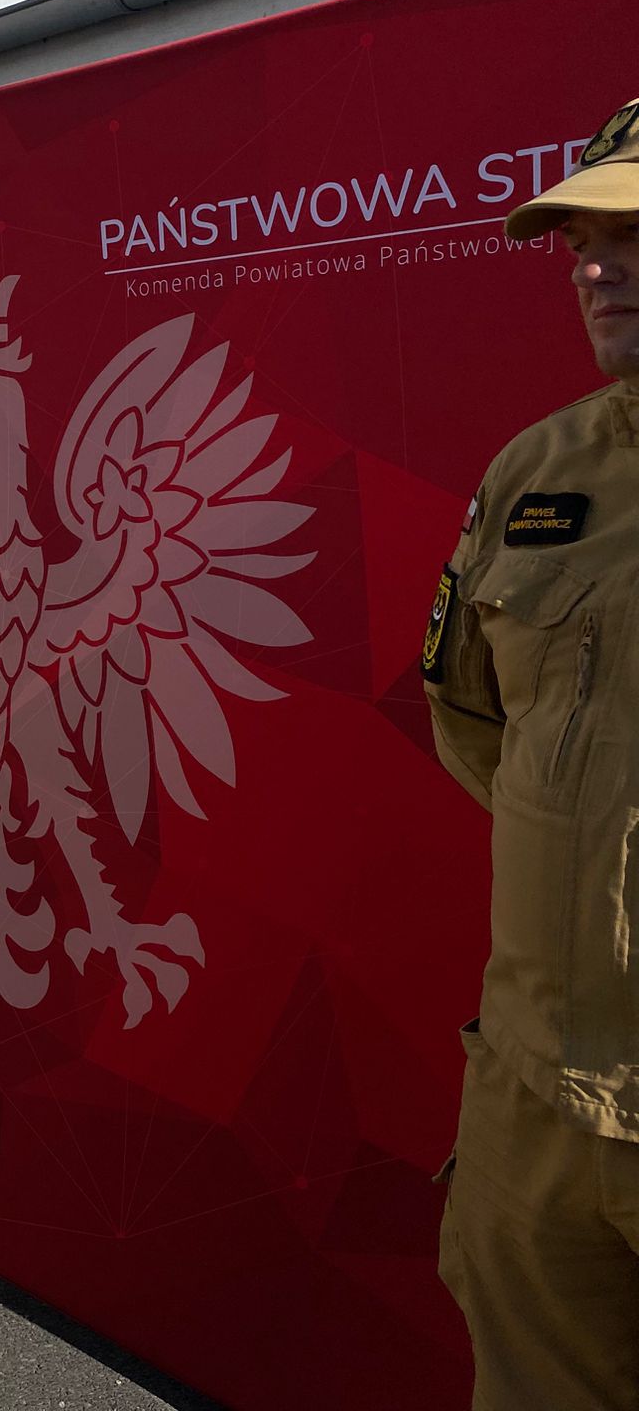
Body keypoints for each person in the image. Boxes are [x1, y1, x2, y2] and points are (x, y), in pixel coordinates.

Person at [424, 94, 639, 1410]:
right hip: (531, 1096)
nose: (595, 269)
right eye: (580, 242)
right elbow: (471, 718)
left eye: (633, 235)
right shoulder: (535, 471)